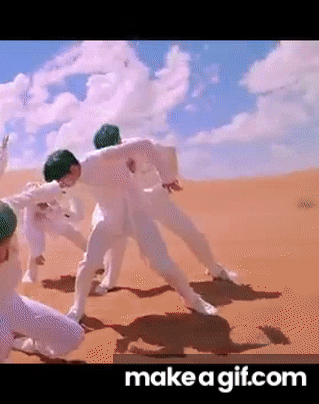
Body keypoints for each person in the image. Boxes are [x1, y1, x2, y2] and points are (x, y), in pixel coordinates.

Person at [43, 128, 217, 325]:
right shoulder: (73, 182)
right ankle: (77, 309)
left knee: (161, 263)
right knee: (88, 264)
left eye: (61, 180)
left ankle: (192, 299)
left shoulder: (100, 157)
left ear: (73, 169)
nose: (61, 185)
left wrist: (167, 177)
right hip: (108, 220)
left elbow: (146, 145)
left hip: (137, 216)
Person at [90, 124, 241, 295]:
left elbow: (169, 154)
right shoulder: (99, 161)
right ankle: (109, 280)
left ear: (120, 142)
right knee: (116, 240)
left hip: (154, 197)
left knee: (190, 231)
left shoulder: (143, 146)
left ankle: (215, 269)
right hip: (128, 205)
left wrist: (169, 178)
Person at [0, 183, 85, 363]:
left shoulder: (6, 215)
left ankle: (30, 345)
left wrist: (57, 185)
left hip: (11, 302)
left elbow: (29, 196)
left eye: (0, 244)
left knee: (74, 335)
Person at [20, 181, 88, 283]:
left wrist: (54, 207)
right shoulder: (30, 199)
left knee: (73, 233)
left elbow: (64, 210)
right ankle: (30, 274)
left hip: (53, 217)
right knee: (35, 245)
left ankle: (93, 254)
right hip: (35, 221)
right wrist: (37, 253)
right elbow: (29, 226)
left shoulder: (54, 191)